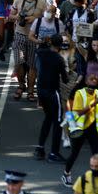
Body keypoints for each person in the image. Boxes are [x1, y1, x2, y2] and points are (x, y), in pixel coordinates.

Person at [62, 74, 98, 188]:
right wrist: (93, 103)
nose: (93, 81)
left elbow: (97, 113)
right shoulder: (79, 94)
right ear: (86, 82)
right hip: (78, 129)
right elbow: (78, 113)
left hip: (91, 127)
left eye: (95, 80)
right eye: (91, 79)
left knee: (97, 154)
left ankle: (97, 178)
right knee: (74, 153)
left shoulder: (97, 94)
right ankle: (66, 173)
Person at [33, 33, 68, 163]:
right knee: (58, 121)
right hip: (53, 92)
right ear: (60, 46)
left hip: (41, 91)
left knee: (48, 118)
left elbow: (39, 48)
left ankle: (40, 148)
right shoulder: (59, 59)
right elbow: (65, 79)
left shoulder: (41, 53)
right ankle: (54, 152)